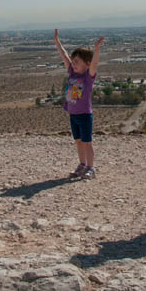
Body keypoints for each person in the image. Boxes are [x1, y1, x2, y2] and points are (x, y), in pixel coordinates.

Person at [53, 29, 105, 179]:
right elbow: (64, 56)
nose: (73, 64)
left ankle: (90, 167)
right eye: (73, 61)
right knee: (78, 142)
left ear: (87, 64)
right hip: (73, 114)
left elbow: (95, 63)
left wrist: (97, 49)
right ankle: (82, 165)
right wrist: (57, 42)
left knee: (87, 142)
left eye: (77, 62)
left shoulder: (88, 77)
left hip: (84, 115)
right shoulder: (72, 73)